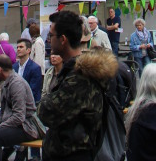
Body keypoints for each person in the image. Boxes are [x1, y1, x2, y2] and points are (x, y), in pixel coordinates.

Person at [38, 10, 118, 161]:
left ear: (63, 39)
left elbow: (45, 112)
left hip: (73, 154)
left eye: (51, 35)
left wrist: (45, 102)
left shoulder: (80, 77)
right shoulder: (71, 71)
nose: (48, 40)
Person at [0, 53, 38, 161]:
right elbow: (3, 111)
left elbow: (19, 116)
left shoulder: (16, 84)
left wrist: (0, 127)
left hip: (27, 127)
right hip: (16, 125)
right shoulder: (5, 84)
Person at [13, 38, 42, 103]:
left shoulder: (35, 68)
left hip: (30, 104)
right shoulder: (14, 67)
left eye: (21, 47)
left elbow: (32, 90)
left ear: (28, 50)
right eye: (17, 47)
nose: (18, 49)